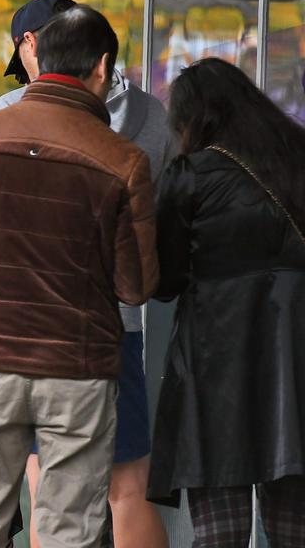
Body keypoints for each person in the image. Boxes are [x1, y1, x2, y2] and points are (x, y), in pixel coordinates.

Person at [0, 5, 158, 548]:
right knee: (70, 527)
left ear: (36, 57)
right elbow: (136, 284)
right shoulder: (122, 160)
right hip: (78, 363)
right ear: (102, 68)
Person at [0, 0, 169, 548]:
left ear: (31, 44)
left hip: (30, 327)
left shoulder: (9, 111)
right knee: (127, 487)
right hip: (117, 321)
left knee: (47, 482)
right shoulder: (151, 116)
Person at [147, 58, 305, 545]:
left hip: (214, 366)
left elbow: (165, 280)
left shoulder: (191, 174)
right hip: (298, 363)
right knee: (294, 526)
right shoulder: (299, 157)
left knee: (220, 530)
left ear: (194, 117)